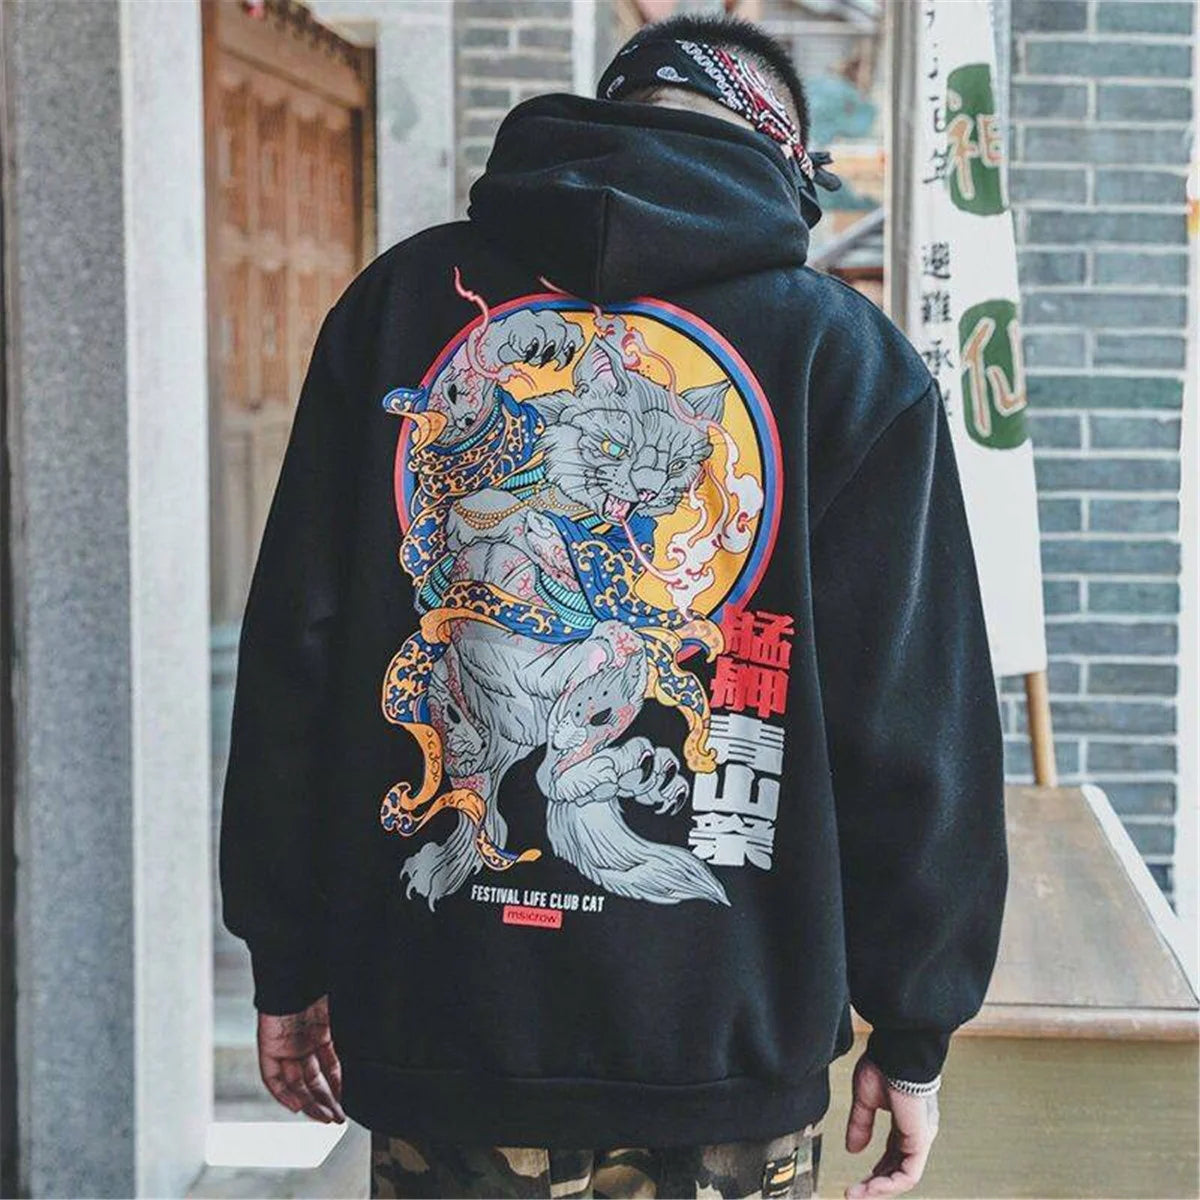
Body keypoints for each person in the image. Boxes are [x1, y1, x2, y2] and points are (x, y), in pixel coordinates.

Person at [219, 13, 1008, 1200]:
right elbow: (915, 723)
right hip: (724, 1049)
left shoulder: (397, 309)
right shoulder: (844, 358)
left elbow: (295, 657)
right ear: (786, 161)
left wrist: (286, 962)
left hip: (445, 1032)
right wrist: (915, 1030)